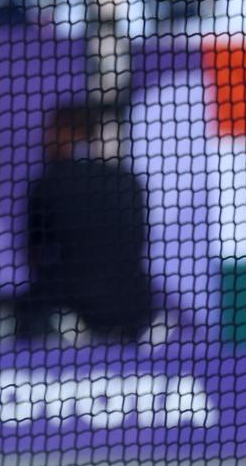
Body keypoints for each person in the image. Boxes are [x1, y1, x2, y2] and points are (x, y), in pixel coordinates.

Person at [15, 104, 154, 343]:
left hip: (70, 316)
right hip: (134, 313)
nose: (47, 140)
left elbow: (34, 254)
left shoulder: (50, 183)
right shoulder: (128, 181)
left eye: (53, 131)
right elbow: (140, 243)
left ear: (67, 133)